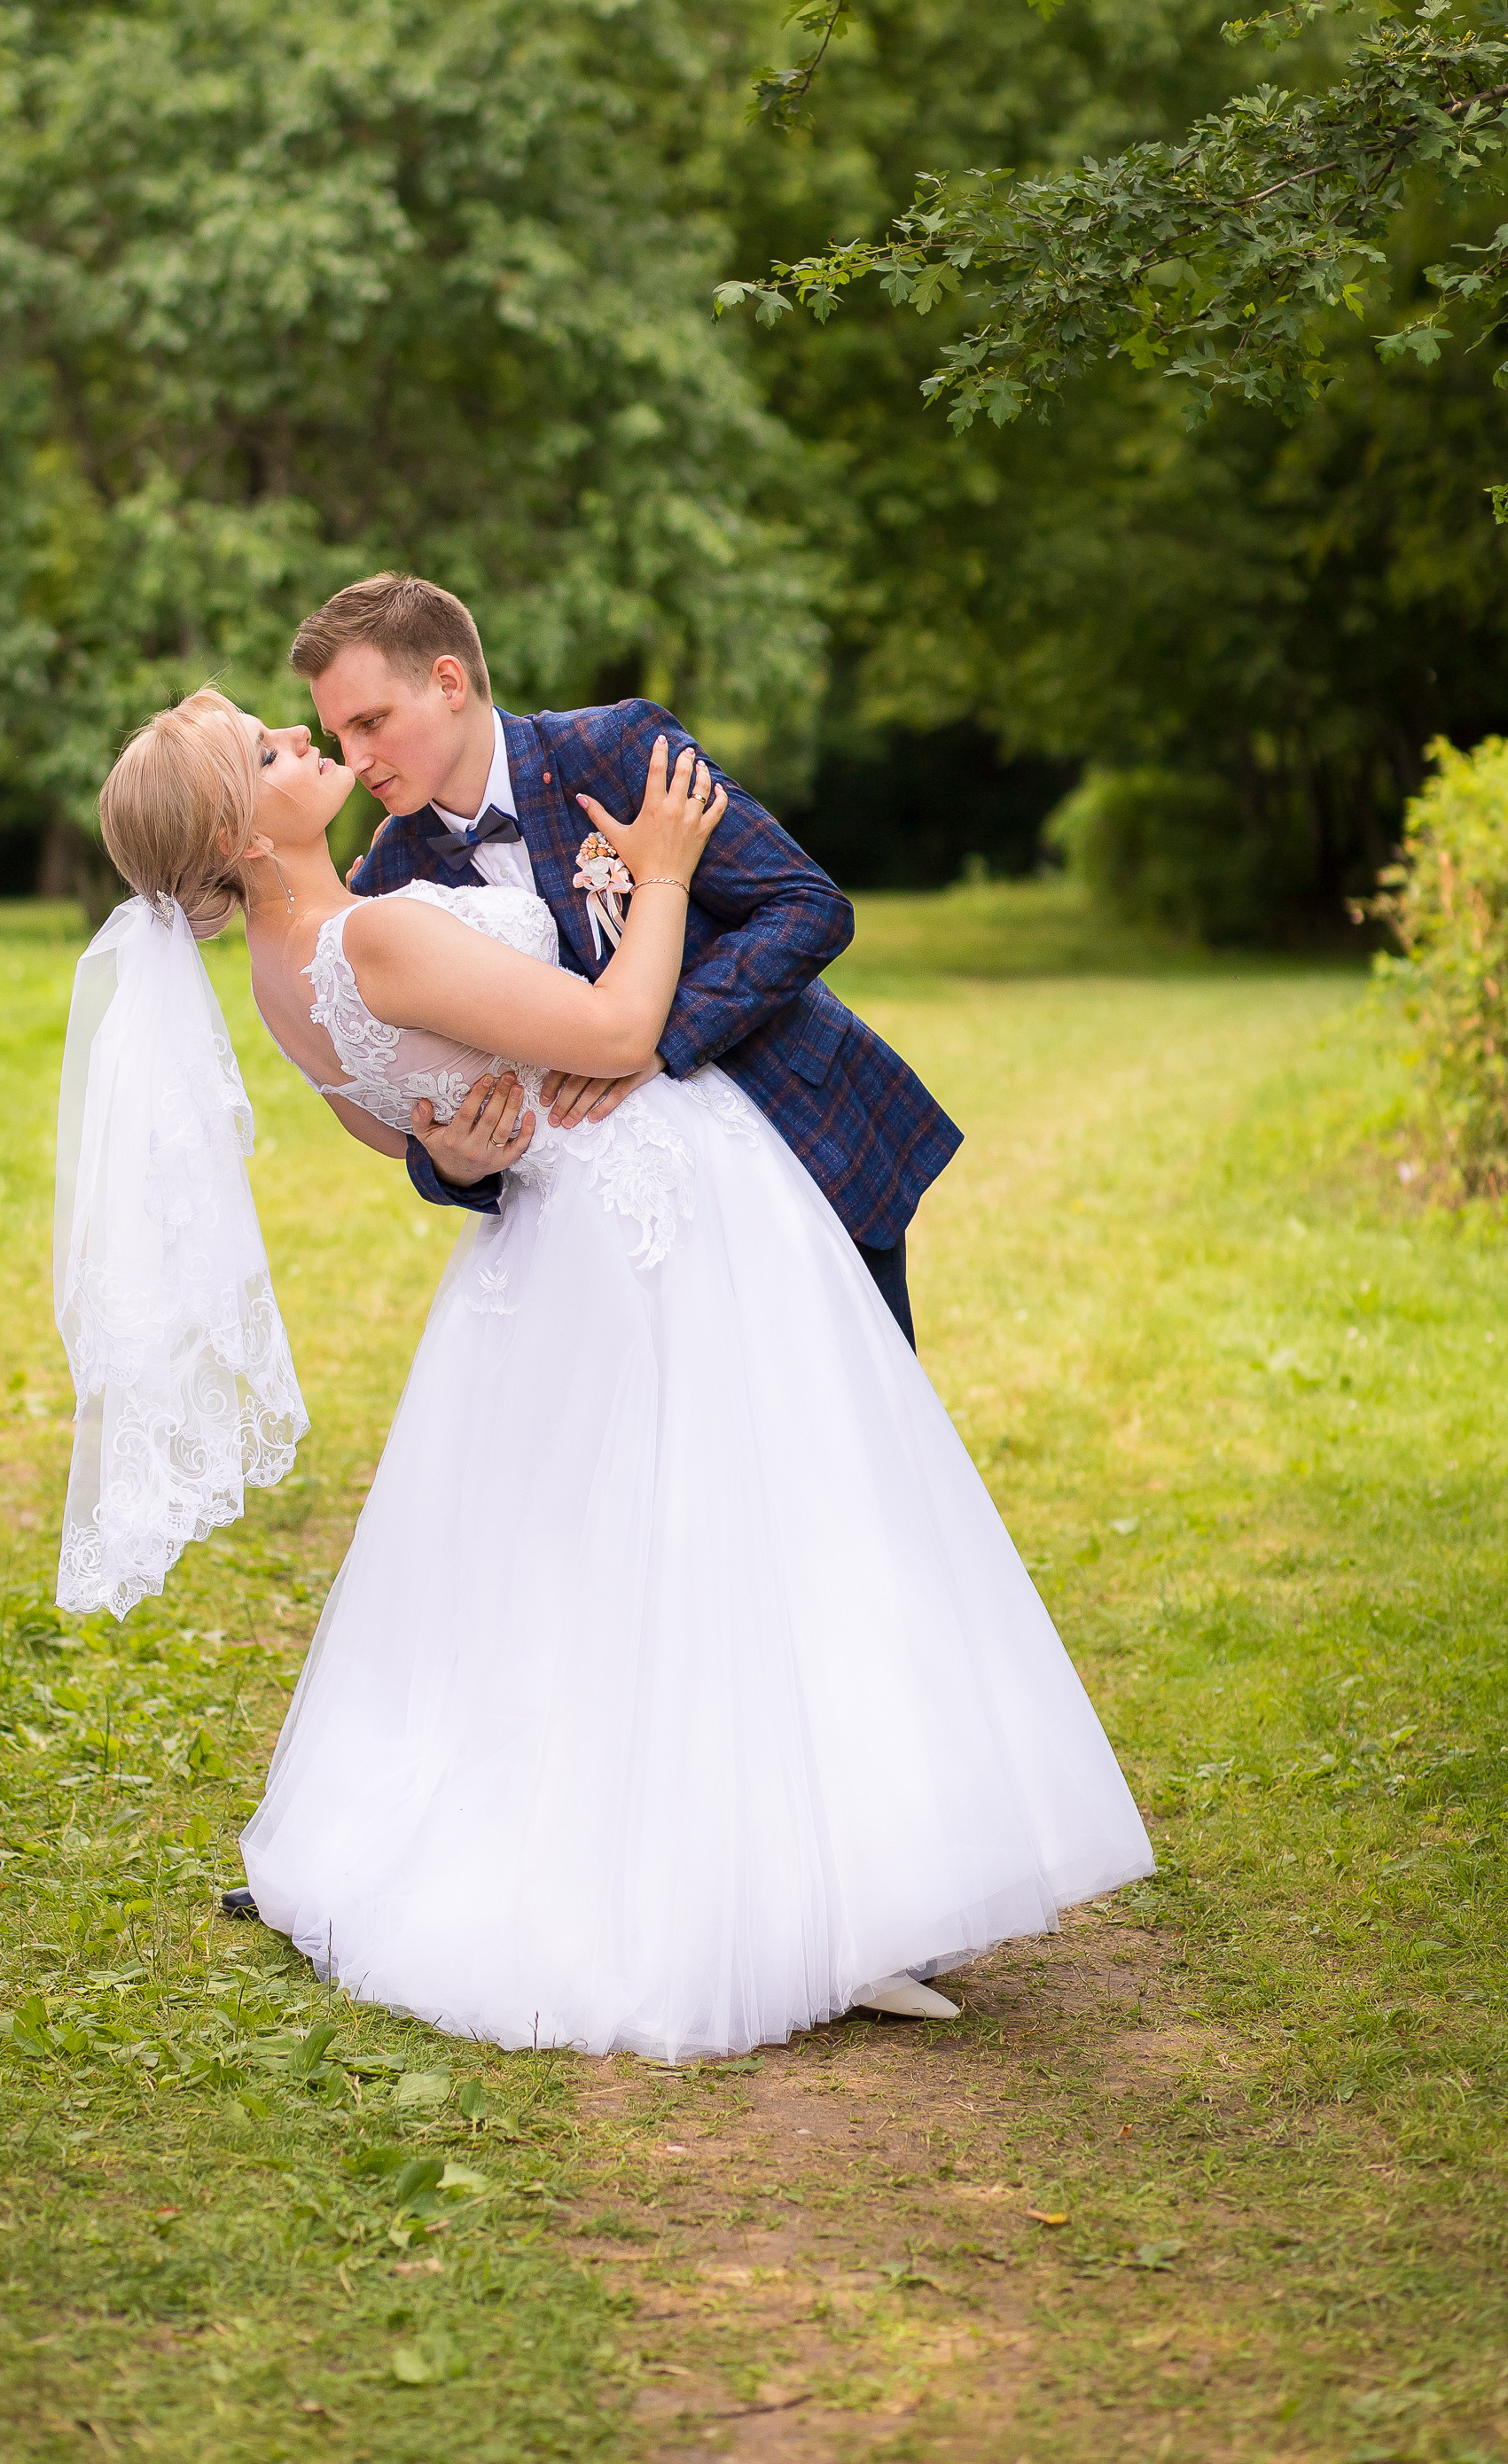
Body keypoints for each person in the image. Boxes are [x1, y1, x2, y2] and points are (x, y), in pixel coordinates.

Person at [73, 679, 1155, 2062]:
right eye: (278, 751)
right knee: (746, 1527)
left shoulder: (288, 970)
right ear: (232, 825)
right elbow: (618, 1036)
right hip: (644, 1229)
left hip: (564, 1245)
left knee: (620, 1564)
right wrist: (656, 880)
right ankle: (794, 1889)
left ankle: (814, 1859)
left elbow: (389, 1121)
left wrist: (454, 1147)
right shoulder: (381, 922)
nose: (314, 746)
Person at [289, 573, 959, 1351]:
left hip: (793, 1137)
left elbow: (806, 907)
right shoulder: (390, 885)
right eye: (340, 736)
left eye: (372, 721)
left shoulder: (614, 751)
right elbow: (413, 1088)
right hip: (620, 1234)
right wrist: (449, 1165)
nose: (357, 757)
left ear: (447, 682)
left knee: (849, 1431)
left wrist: (650, 1044)